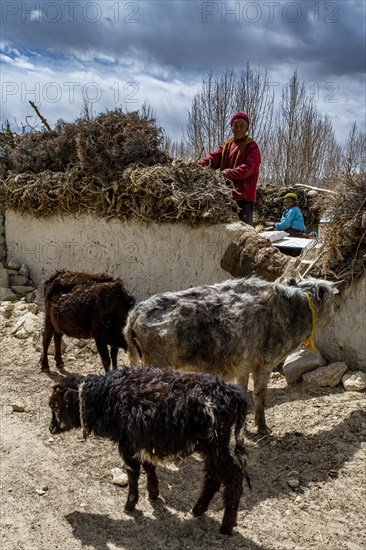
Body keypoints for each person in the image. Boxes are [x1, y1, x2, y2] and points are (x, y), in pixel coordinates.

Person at [197, 112, 261, 225]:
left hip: (244, 196)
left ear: (247, 128)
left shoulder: (252, 146)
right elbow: (214, 158)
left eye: (242, 126)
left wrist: (229, 173)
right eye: (235, 125)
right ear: (231, 127)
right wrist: (199, 164)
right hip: (227, 195)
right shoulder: (227, 145)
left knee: (244, 228)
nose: (238, 129)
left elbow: (250, 167)